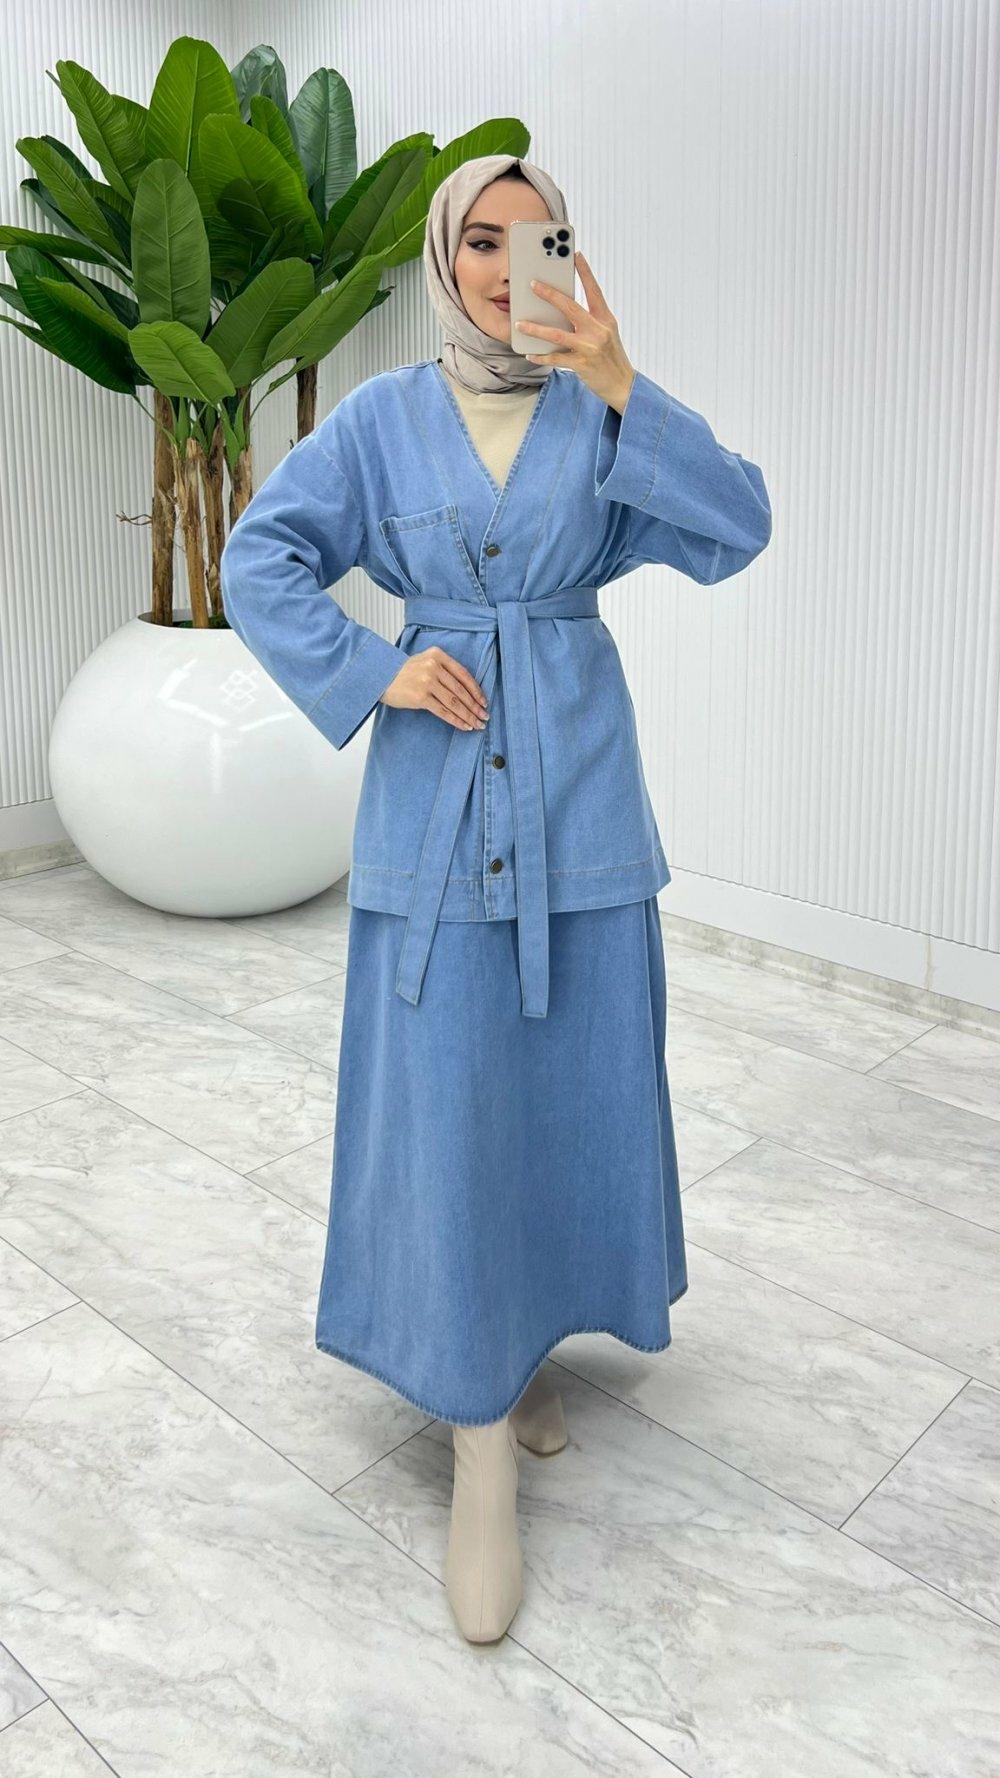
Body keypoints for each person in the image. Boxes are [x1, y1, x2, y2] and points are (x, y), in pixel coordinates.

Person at [221, 154, 772, 1646]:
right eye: (482, 238)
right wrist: (375, 668)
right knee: (453, 1102)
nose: (509, 262)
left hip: (581, 809)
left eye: (544, 238)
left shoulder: (600, 417)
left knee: (565, 1093)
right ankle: (474, 1441)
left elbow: (738, 527)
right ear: (443, 258)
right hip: (437, 809)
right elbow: (260, 556)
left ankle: (521, 1351)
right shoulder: (381, 421)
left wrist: (624, 381)